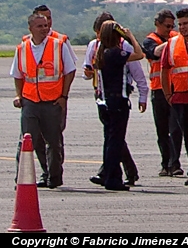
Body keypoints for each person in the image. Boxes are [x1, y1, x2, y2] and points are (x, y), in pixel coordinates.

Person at [11, 11, 76, 188]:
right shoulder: (22, 48)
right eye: (40, 26)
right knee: (26, 140)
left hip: (52, 102)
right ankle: (21, 179)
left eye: (46, 25)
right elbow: (17, 74)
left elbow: (70, 70)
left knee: (54, 143)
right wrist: (19, 95)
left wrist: (64, 96)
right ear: (30, 28)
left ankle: (54, 177)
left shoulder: (58, 45)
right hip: (30, 101)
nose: (44, 29)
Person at [84, 12, 148, 187]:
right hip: (118, 101)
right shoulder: (115, 53)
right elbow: (139, 54)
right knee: (116, 140)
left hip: (104, 100)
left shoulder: (101, 52)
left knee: (110, 139)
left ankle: (110, 175)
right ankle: (112, 178)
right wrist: (130, 36)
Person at [161, 7, 188, 185]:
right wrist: (167, 94)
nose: (182, 27)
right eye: (180, 24)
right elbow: (164, 69)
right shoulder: (172, 44)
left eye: (185, 23)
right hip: (180, 99)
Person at [141, 10, 183, 177]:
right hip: (158, 90)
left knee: (176, 128)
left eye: (172, 26)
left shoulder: (174, 37)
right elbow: (154, 53)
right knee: (162, 130)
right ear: (157, 24)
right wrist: (175, 41)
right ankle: (165, 163)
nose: (170, 29)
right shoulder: (150, 40)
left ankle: (175, 163)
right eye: (167, 26)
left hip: (175, 89)